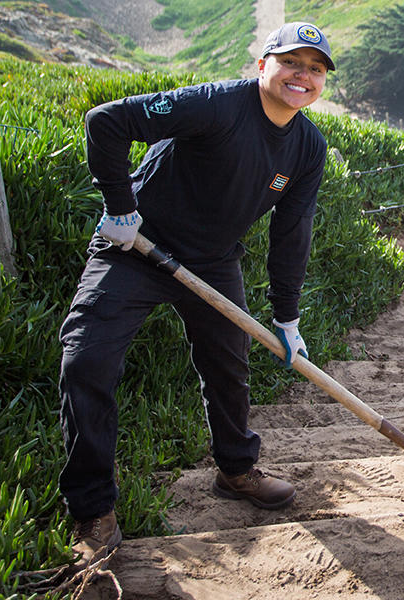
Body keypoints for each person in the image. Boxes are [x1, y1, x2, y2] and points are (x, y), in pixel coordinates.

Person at [58, 22, 334, 568]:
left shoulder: (308, 146)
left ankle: (236, 470)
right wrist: (119, 206)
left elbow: (291, 231)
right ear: (263, 65)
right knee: (85, 360)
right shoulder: (215, 104)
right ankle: (92, 508)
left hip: (211, 262)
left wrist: (287, 317)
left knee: (228, 367)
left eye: (315, 69)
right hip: (136, 245)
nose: (302, 76)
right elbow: (106, 122)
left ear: (323, 82)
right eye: (291, 63)